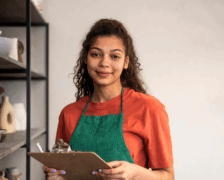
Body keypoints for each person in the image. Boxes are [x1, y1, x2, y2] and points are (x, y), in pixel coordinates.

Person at [43, 18, 174, 180]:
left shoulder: (149, 108)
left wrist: (135, 173)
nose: (104, 63)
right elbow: (62, 170)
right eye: (96, 54)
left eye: (115, 56)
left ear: (126, 62)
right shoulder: (69, 113)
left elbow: (168, 176)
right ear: (86, 58)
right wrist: (55, 175)